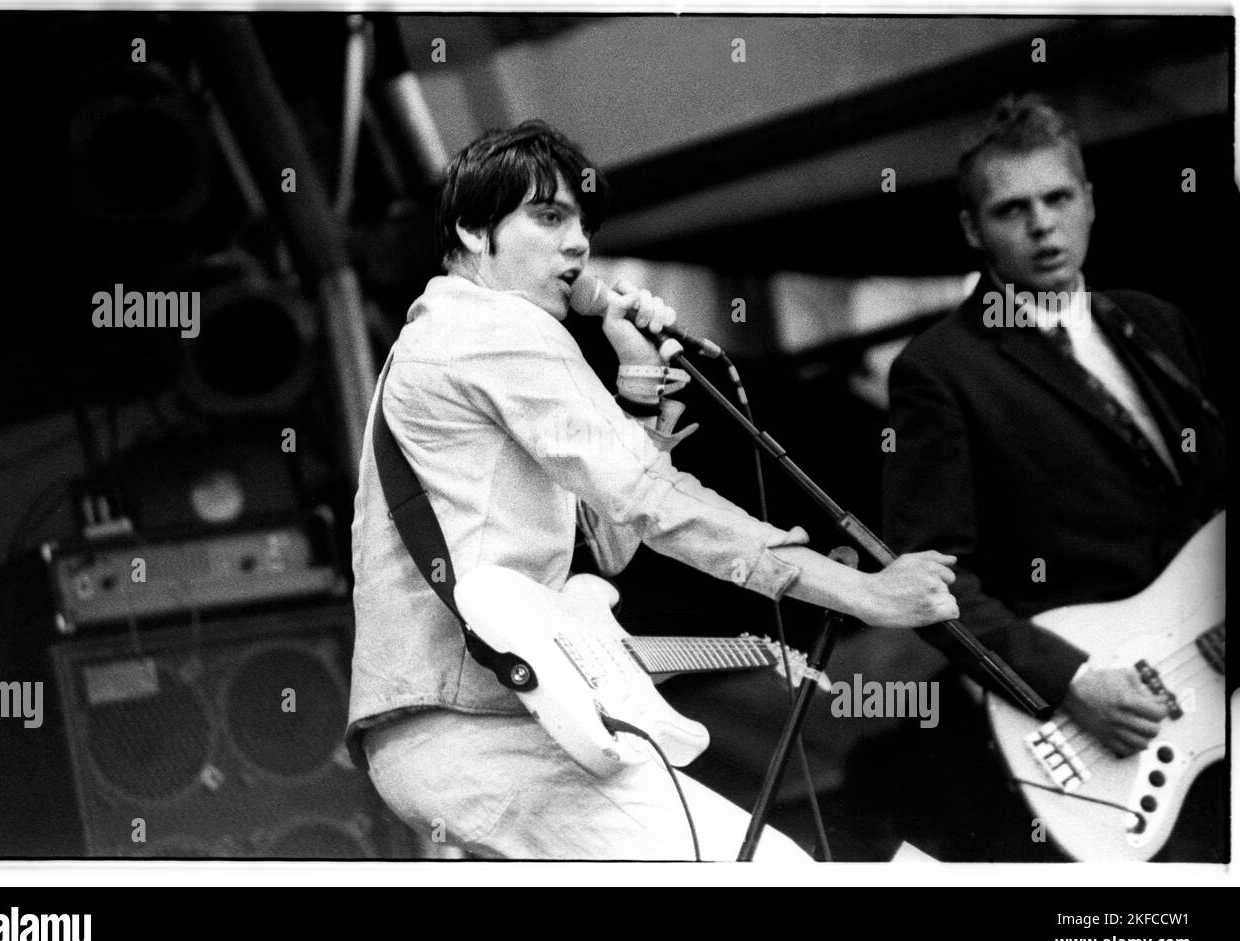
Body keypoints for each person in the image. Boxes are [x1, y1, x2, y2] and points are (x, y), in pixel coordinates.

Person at [345, 119, 960, 860]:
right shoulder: (494, 328)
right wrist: (865, 593)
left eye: (583, 224)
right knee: (769, 870)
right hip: (473, 723)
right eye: (548, 217)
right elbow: (650, 497)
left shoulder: (451, 338)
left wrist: (637, 381)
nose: (577, 243)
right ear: (475, 231)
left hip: (481, 727)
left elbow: (609, 548)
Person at [880, 94, 1226, 861]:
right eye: (1013, 209)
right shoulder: (939, 371)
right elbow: (930, 584)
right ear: (974, 230)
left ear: (1090, 203)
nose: (1042, 225)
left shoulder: (1156, 324)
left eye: (1058, 198)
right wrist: (1066, 681)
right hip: (1100, 725)